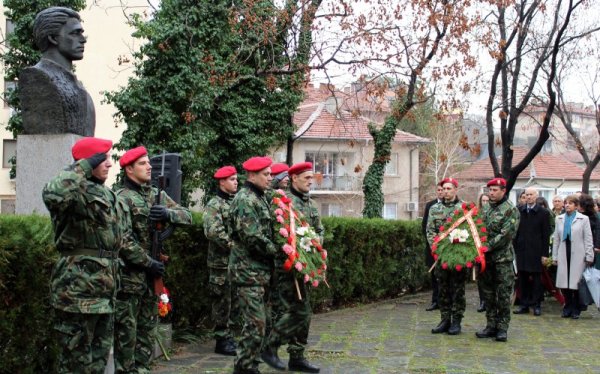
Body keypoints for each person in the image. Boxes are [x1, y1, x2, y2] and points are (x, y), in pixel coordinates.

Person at [42, 137, 126, 372]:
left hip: (105, 293)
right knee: (75, 364)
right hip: (77, 292)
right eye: (104, 159)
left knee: (98, 363)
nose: (109, 164)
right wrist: (85, 165)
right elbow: (52, 193)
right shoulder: (72, 191)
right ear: (90, 161)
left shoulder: (108, 194)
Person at [114, 146, 192, 372]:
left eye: (149, 162)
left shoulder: (155, 195)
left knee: (147, 335)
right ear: (129, 169)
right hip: (129, 280)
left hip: (150, 279)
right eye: (142, 163)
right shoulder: (121, 199)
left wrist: (168, 214)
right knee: (126, 338)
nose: (149, 166)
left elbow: (186, 216)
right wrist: (150, 263)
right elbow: (123, 241)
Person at [263, 162, 322, 373]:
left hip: (305, 268)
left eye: (311, 178)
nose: (310, 181)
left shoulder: (312, 205)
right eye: (306, 177)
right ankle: (271, 349)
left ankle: (297, 355)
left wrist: (314, 246)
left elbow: (319, 231)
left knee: (304, 313)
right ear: (294, 178)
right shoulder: (282, 203)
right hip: (285, 268)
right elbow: (277, 233)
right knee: (285, 311)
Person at [229, 156, 278, 374]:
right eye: (266, 174)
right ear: (252, 175)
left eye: (270, 174)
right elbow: (253, 238)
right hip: (247, 273)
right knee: (255, 325)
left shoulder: (260, 198)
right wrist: (277, 251)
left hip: (259, 273)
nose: (270, 178)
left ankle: (251, 365)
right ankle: (243, 367)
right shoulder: (245, 200)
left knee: (262, 324)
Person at [20, 7, 95, 136]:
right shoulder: (37, 79)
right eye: (75, 33)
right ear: (53, 38)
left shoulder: (81, 89)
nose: (83, 39)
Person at [476, 177, 519, 342]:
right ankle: (490, 325)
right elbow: (478, 228)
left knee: (502, 295)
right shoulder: (485, 209)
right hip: (485, 260)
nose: (491, 193)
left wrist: (486, 246)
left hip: (502, 260)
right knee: (488, 294)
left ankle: (502, 328)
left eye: (494, 190)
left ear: (503, 191)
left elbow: (506, 235)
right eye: (489, 190)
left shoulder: (511, 210)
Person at [204, 166, 239, 356]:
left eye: (236, 179)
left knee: (233, 300)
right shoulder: (214, 204)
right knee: (221, 302)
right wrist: (234, 246)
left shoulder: (235, 203)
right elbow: (213, 231)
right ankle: (221, 339)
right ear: (222, 182)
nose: (236, 182)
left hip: (235, 263)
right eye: (232, 179)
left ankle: (230, 337)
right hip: (220, 263)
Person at [426, 178, 466, 335]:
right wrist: (436, 249)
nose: (447, 191)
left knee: (457, 290)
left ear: (456, 189)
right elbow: (430, 231)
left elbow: (469, 231)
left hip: (458, 256)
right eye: (444, 188)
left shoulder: (463, 208)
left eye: (450, 188)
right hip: (441, 256)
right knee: (443, 289)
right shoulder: (435, 208)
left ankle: (456, 321)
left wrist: (458, 249)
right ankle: (445, 319)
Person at [552, 195, 594, 319]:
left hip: (578, 252)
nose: (567, 205)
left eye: (571, 203)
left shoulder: (583, 219)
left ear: (576, 206)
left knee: (576, 282)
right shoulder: (559, 218)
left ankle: (576, 308)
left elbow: (588, 237)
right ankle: (567, 306)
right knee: (564, 282)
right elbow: (556, 239)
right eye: (566, 203)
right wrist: (554, 256)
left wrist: (589, 255)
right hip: (564, 251)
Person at [513, 188, 550, 316]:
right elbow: (515, 232)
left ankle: (536, 304)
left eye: (531, 195)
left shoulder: (543, 213)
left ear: (536, 196)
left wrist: (545, 254)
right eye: (526, 195)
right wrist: (515, 248)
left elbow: (546, 235)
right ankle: (524, 304)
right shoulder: (519, 211)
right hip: (522, 250)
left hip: (536, 250)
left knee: (536, 279)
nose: (528, 197)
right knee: (522, 278)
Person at [422, 183, 444, 312]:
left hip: (448, 247)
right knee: (434, 276)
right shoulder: (430, 205)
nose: (441, 192)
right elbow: (425, 225)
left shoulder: (454, 206)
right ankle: (435, 300)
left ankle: (447, 300)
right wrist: (432, 243)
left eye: (444, 189)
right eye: (439, 190)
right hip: (433, 247)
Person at [476, 193, 490, 313]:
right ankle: (482, 301)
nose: (485, 203)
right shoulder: (476, 214)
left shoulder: (492, 213)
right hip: (478, 249)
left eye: (487, 200)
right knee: (480, 276)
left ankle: (490, 300)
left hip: (490, 248)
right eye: (483, 201)